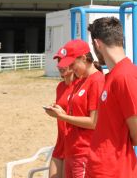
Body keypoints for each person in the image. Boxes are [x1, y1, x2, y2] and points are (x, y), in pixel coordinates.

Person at [86, 17, 137, 178]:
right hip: (104, 167)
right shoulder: (114, 75)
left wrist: (114, 146)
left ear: (97, 44)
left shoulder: (125, 76)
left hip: (114, 170)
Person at [47, 39, 105, 178]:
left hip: (85, 151)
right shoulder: (82, 81)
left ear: (84, 58)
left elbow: (94, 122)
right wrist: (61, 112)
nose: (71, 69)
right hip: (72, 149)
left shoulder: (96, 81)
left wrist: (62, 116)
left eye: (72, 64)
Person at [44, 45, 80, 178]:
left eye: (63, 62)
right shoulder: (60, 87)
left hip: (74, 142)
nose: (60, 65)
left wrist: (63, 114)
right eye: (58, 62)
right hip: (61, 141)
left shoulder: (81, 85)